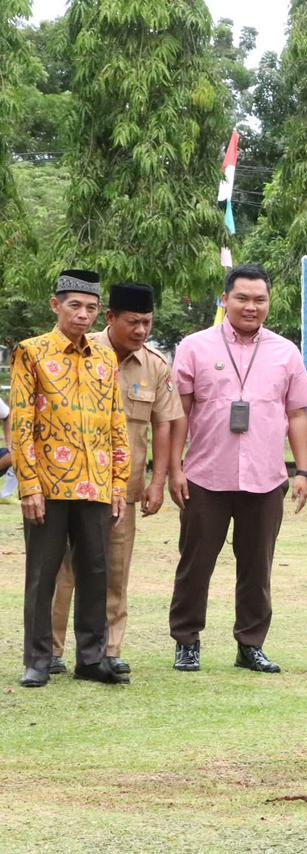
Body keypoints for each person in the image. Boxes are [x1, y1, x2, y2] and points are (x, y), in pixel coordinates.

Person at [167, 264, 307, 674]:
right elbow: (179, 411)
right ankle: (186, 641)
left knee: (257, 566)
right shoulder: (195, 347)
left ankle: (250, 644)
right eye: (242, 298)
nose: (251, 307)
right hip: (205, 477)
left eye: (259, 299)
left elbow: (298, 415)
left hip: (266, 479)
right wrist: (173, 469)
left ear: (269, 302)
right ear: (225, 300)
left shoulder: (285, 352)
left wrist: (302, 471)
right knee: (195, 563)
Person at [46, 284, 182, 676]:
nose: (141, 330)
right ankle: (54, 649)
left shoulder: (155, 365)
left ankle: (108, 649)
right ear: (110, 318)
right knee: (66, 570)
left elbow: (164, 424)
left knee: (115, 571)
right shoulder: (79, 351)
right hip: (75, 485)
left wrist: (158, 482)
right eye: (133, 322)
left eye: (147, 323)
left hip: (124, 491)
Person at [12, 269, 130, 688]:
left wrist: (118, 483)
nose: (83, 315)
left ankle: (92, 658)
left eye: (91, 308)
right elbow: (21, 425)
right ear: (56, 305)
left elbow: (118, 423)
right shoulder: (32, 352)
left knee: (97, 572)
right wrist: (28, 486)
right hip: (47, 485)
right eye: (75, 306)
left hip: (96, 483)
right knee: (42, 574)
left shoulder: (105, 358)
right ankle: (39, 659)